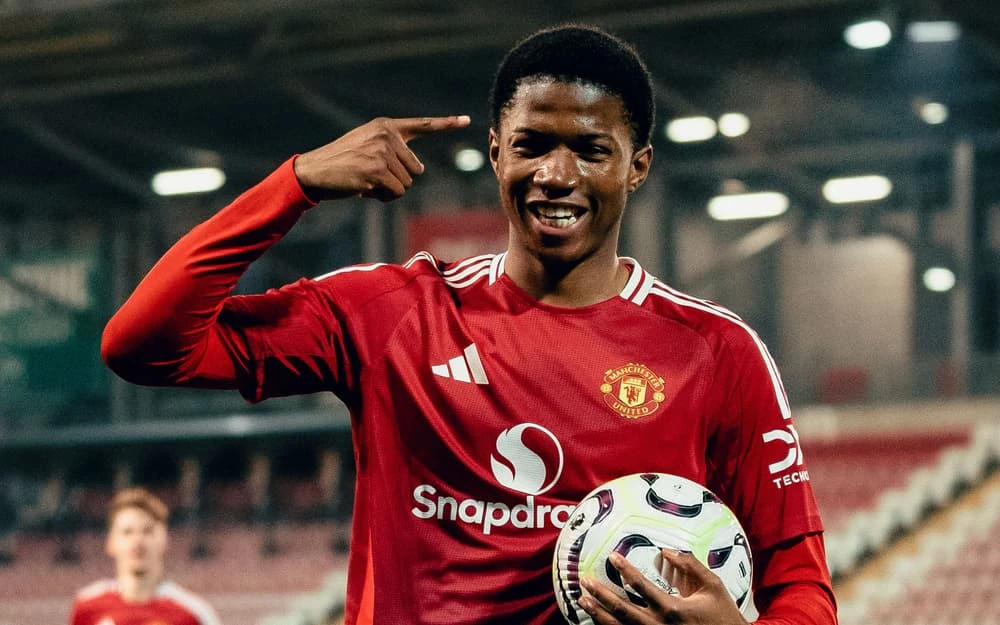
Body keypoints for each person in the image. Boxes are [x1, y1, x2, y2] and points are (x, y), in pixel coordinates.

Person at [101, 23, 837, 625]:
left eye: (591, 150)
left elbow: (803, 588)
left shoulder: (717, 352)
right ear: (495, 152)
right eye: (532, 144)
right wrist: (290, 187)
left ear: (637, 166)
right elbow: (141, 345)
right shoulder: (393, 313)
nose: (557, 174)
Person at [68, 488, 221, 625]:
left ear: (165, 540)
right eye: (127, 532)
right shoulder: (87, 607)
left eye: (147, 531)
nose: (138, 541)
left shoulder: (194, 614)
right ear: (111, 543)